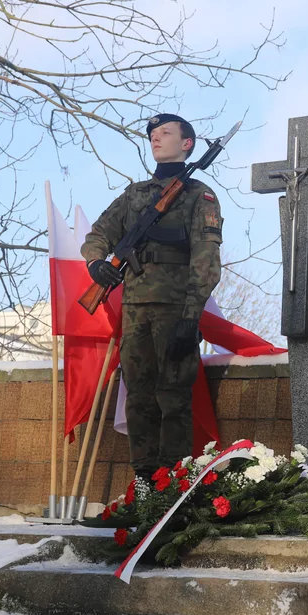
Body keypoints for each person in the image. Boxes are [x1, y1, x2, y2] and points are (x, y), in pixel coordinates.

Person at [82, 113, 223, 481]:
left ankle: (174, 485)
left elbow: (206, 261)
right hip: (135, 310)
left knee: (173, 398)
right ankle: (144, 486)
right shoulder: (135, 196)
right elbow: (98, 234)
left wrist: (191, 317)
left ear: (187, 144)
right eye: (152, 134)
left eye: (165, 133)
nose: (155, 139)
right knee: (139, 399)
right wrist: (96, 264)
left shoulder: (199, 195)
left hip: (176, 310)